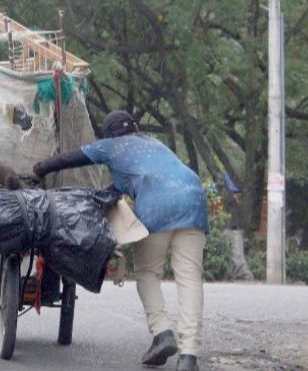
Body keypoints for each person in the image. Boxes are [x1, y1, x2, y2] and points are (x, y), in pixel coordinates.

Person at [33, 110, 208, 371]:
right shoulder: (153, 143)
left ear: (109, 135)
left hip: (158, 207)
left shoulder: (111, 147)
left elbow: (71, 158)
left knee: (148, 274)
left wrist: (39, 169)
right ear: (135, 127)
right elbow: (118, 189)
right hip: (194, 200)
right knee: (190, 278)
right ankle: (189, 355)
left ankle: (162, 333)